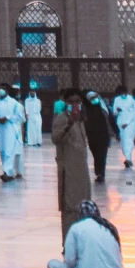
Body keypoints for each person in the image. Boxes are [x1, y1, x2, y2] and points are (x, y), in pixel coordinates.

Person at [46, 201, 126, 268]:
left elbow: (70, 261)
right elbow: (118, 257)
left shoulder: (76, 228)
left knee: (52, 264)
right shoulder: (109, 227)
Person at [50, 89, 92, 237]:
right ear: (65, 103)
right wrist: (69, 124)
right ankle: (68, 243)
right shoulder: (62, 119)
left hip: (81, 170)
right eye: (71, 102)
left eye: (77, 101)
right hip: (68, 169)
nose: (75, 104)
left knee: (83, 205)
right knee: (70, 208)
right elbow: (55, 138)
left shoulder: (80, 120)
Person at [0, 87, 23, 181]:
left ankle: (7, 173)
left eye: (4, 88)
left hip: (10, 129)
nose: (1, 90)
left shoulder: (14, 103)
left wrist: (7, 118)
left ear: (7, 91)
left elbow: (19, 116)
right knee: (3, 151)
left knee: (9, 150)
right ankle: (7, 172)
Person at [82, 92, 110, 183]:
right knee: (97, 156)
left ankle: (101, 174)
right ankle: (98, 172)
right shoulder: (87, 110)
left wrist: (117, 132)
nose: (94, 99)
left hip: (104, 136)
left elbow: (111, 120)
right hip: (93, 137)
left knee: (102, 156)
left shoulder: (104, 108)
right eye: (92, 98)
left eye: (95, 97)